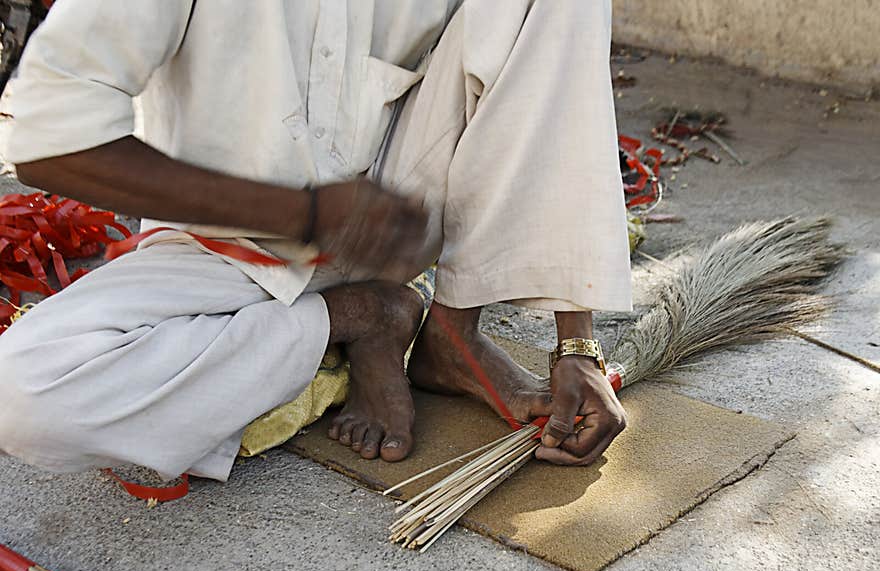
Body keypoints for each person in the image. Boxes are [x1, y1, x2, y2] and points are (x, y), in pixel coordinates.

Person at [0, 0, 630, 484]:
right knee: (25, 397)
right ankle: (363, 316)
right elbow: (47, 137)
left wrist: (575, 342)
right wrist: (303, 214)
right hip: (223, 238)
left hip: (395, 216)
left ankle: (452, 336)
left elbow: (546, 70)